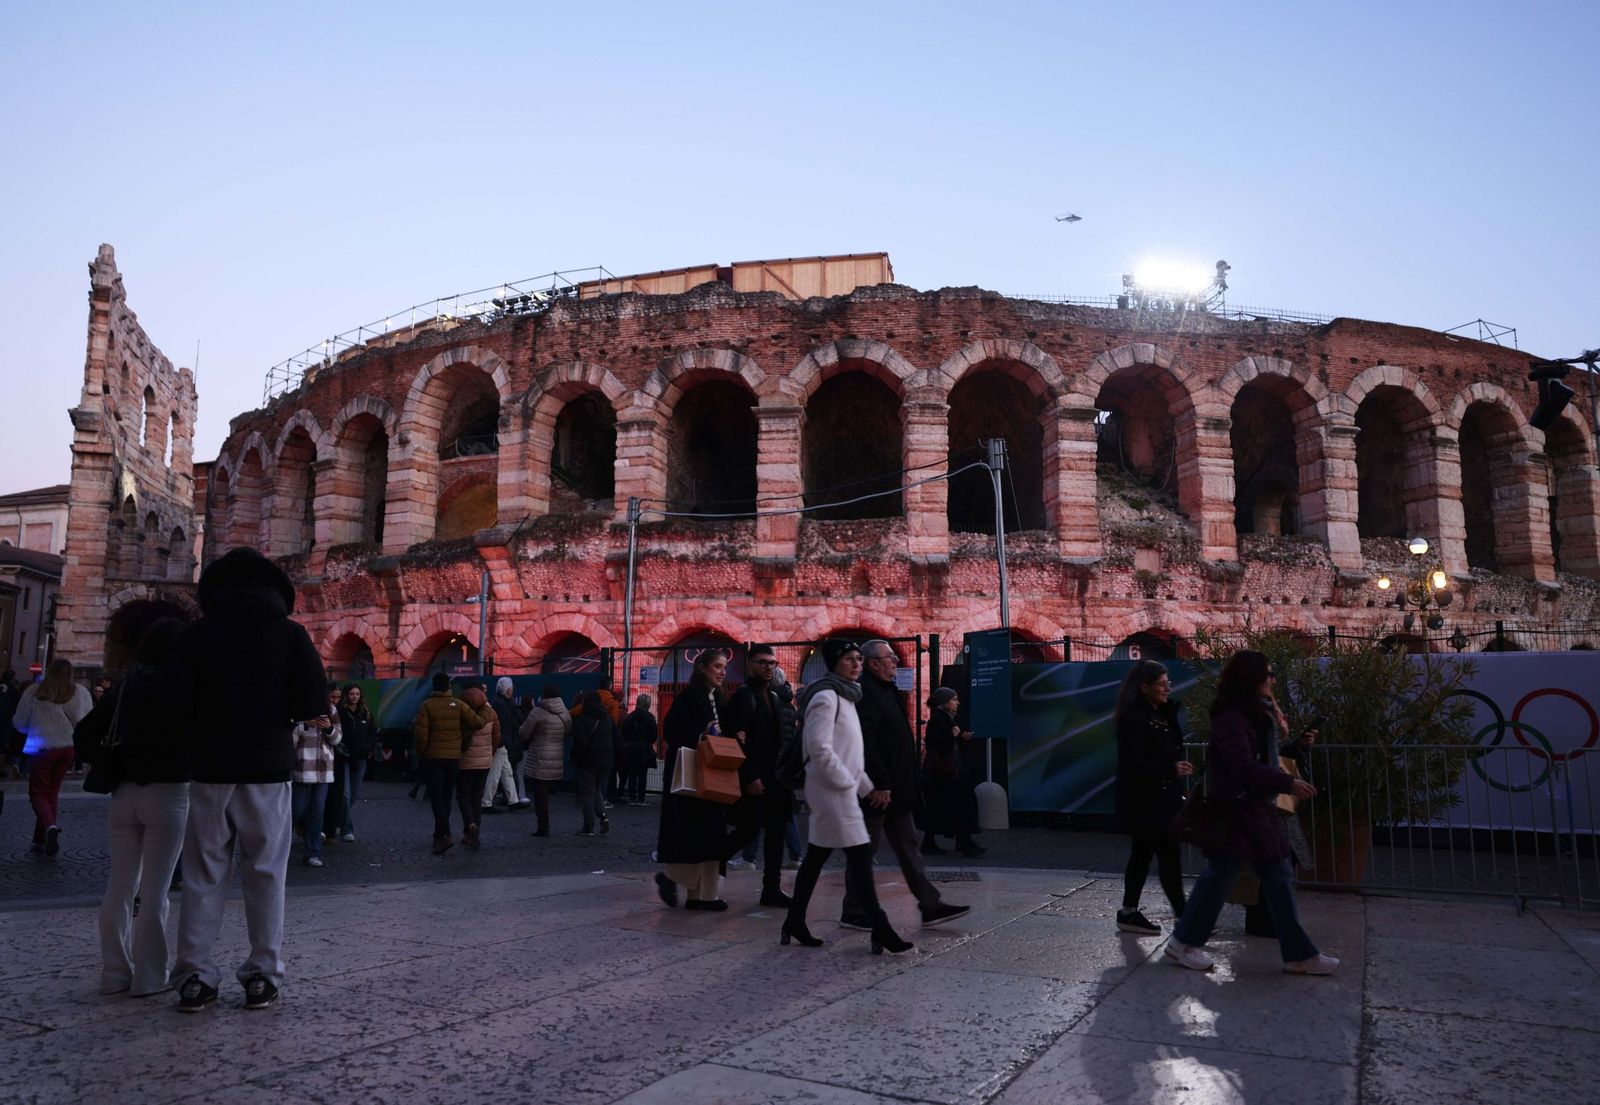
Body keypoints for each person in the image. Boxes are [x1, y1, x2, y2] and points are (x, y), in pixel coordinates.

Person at [164, 547, 329, 1012]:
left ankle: (195, 976)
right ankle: (262, 974)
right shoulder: (291, 635)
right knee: (266, 874)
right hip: (267, 770)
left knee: (202, 876)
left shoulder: (195, 635)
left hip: (212, 769)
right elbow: (310, 705)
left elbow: (174, 702)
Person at [1164, 650, 1339, 976]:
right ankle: (1183, 943)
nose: (1273, 680)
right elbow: (1242, 765)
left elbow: (1261, 757)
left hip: (1255, 809)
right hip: (1239, 810)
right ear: (1251, 679)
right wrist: (1288, 781)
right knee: (1224, 876)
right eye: (1268, 674)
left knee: (1273, 875)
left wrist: (1291, 744)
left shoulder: (1255, 714)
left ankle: (1298, 954)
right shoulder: (1233, 718)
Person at [75, 617, 189, 996]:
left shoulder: (125, 685)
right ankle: (149, 977)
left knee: (120, 887)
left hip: (124, 793)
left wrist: (112, 762)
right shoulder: (184, 686)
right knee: (155, 892)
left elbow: (84, 732)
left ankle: (114, 974)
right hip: (170, 792)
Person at [782, 639, 913, 955]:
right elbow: (820, 749)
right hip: (832, 791)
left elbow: (851, 754)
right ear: (834, 664)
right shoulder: (826, 698)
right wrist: (848, 785)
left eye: (858, 658)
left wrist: (866, 786)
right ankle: (880, 927)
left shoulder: (847, 697)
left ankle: (795, 920)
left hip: (840, 789)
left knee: (816, 858)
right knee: (860, 856)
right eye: (848, 659)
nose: (856, 664)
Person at [842, 640, 970, 929]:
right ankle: (852, 909)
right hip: (880, 791)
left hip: (898, 790)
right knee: (865, 850)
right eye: (890, 658)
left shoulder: (888, 691)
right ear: (874, 664)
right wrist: (879, 783)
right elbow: (868, 743)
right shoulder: (868, 694)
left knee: (909, 846)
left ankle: (930, 904)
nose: (895, 662)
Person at [1111, 660, 1191, 936]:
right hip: (1147, 799)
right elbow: (1132, 761)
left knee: (1143, 853)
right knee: (1168, 853)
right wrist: (1170, 768)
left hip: (1158, 796)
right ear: (1144, 687)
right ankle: (1184, 917)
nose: (1168, 687)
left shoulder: (1160, 714)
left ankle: (1129, 911)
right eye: (1162, 683)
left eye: (1168, 682)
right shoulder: (1135, 718)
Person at [655, 650, 734, 910]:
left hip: (713, 774)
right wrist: (701, 735)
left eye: (724, 667)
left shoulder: (720, 699)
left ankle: (704, 895)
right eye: (717, 666)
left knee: (711, 836)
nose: (722, 672)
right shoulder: (688, 698)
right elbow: (672, 731)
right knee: (694, 834)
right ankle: (680, 882)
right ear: (702, 668)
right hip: (693, 774)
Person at [719, 645, 796, 907]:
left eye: (771, 663)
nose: (767, 667)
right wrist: (750, 775)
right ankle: (708, 865)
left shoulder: (773, 697)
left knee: (775, 833)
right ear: (749, 664)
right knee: (747, 830)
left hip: (775, 778)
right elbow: (733, 739)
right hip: (754, 778)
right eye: (762, 662)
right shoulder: (744, 696)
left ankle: (771, 888)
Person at [14, 658, 92, 855]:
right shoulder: (80, 692)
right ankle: (40, 840)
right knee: (52, 792)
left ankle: (49, 827)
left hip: (42, 746)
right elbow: (87, 720)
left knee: (38, 793)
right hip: (67, 747)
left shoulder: (34, 691)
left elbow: (20, 721)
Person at [412, 673, 495, 856]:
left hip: (433, 758)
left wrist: (422, 753)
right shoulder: (458, 705)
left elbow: (420, 735)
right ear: (448, 687)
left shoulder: (426, 706)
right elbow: (478, 722)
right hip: (453, 759)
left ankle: (445, 835)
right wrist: (486, 707)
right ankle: (440, 835)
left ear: (433, 687)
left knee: (436, 799)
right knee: (448, 796)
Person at [920, 688, 983, 857]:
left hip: (945, 773)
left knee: (942, 808)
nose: (957, 703)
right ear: (945, 702)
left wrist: (961, 738)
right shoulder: (939, 720)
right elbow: (938, 744)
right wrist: (954, 735)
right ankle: (964, 842)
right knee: (958, 805)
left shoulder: (945, 719)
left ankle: (934, 841)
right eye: (954, 700)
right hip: (945, 774)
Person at [291, 684, 343, 867]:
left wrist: (328, 728)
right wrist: (304, 724)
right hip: (302, 767)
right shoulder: (297, 709)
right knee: (296, 810)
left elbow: (337, 739)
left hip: (324, 770)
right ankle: (279, 844)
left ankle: (313, 852)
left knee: (317, 812)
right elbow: (290, 739)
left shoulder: (332, 710)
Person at [519, 685, 571, 837]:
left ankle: (543, 826)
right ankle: (544, 825)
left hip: (539, 756)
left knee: (540, 793)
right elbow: (567, 731)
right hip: (556, 755)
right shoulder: (565, 712)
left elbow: (524, 732)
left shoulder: (538, 712)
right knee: (546, 790)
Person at [454, 682, 498, 850]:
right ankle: (474, 836)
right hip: (484, 763)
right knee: (476, 798)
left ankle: (470, 825)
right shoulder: (492, 713)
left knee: (463, 796)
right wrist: (489, 754)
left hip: (465, 762)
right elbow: (496, 736)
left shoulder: (461, 712)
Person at [334, 683, 377, 840]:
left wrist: (367, 747)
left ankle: (337, 820)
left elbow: (373, 732)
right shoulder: (340, 712)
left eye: (357, 694)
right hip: (343, 757)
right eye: (352, 694)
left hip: (360, 758)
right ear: (347, 695)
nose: (354, 697)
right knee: (344, 794)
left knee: (353, 794)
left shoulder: (365, 712)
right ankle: (347, 829)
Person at [571, 690, 617, 835]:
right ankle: (603, 817)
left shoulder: (582, 720)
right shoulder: (608, 719)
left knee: (588, 794)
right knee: (596, 789)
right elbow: (617, 739)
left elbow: (580, 743)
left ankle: (588, 826)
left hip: (588, 762)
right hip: (606, 762)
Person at [481, 677, 523, 814]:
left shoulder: (498, 703)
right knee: (496, 773)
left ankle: (513, 800)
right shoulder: (504, 705)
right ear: (508, 689)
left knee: (506, 772)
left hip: (501, 742)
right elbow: (505, 725)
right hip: (501, 743)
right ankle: (486, 802)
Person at [619, 693, 657, 805]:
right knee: (642, 774)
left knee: (632, 773)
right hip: (644, 748)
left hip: (631, 748)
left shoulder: (630, 716)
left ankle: (631, 797)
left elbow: (624, 732)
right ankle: (641, 798)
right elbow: (654, 735)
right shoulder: (650, 717)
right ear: (648, 704)